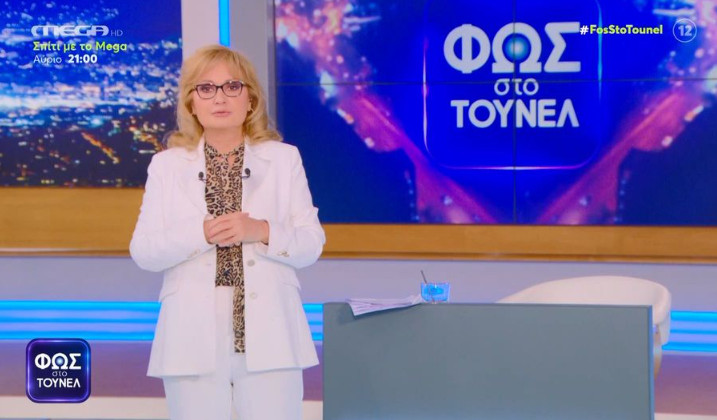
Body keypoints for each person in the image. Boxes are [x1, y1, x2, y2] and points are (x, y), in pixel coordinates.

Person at [129, 44, 325, 420]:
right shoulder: (166, 167)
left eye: (232, 86)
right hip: (191, 334)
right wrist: (200, 234)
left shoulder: (284, 159)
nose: (220, 98)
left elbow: (310, 243)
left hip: (271, 330)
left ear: (250, 99)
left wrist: (262, 230)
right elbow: (144, 251)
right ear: (191, 102)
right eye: (206, 88)